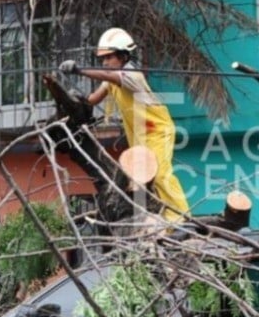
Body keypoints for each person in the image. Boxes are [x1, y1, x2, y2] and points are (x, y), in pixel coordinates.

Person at [59, 27, 191, 221]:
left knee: (161, 174)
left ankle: (183, 219)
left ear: (122, 56)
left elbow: (109, 77)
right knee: (143, 182)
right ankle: (163, 218)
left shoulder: (132, 76)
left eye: (109, 57)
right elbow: (93, 99)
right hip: (140, 136)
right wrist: (69, 98)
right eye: (103, 59)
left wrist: (79, 70)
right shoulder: (112, 79)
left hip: (158, 131)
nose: (105, 62)